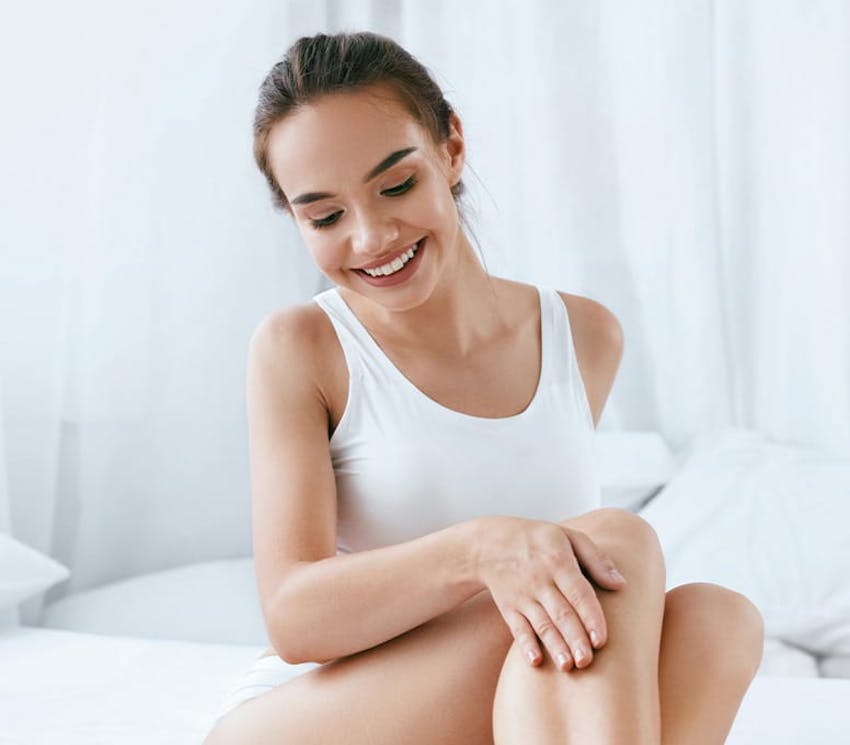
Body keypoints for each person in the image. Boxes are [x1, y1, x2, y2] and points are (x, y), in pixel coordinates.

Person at [204, 31, 763, 744]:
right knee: (602, 550)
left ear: (452, 148)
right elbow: (294, 616)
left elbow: (556, 650)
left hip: (504, 705)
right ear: (295, 218)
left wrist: (520, 562)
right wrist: (481, 550)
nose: (372, 237)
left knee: (719, 620)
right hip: (319, 710)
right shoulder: (301, 349)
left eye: (396, 184)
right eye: (325, 216)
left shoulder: (586, 337)